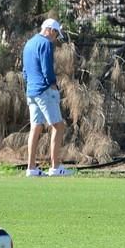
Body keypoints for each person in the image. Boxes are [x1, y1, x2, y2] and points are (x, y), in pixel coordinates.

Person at [22, 18, 73, 177]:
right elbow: (47, 69)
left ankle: (31, 168)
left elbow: (25, 71)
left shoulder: (29, 43)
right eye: (56, 33)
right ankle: (55, 167)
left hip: (31, 91)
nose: (56, 37)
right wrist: (52, 84)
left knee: (35, 127)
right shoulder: (45, 43)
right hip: (44, 90)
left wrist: (31, 84)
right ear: (50, 30)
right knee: (58, 126)